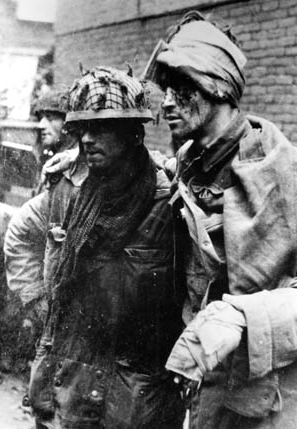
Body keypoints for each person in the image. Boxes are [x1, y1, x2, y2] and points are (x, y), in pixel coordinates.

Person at [4, 66, 185, 428]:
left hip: (131, 393)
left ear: (133, 133)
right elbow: (20, 234)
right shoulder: (69, 191)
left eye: (101, 128)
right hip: (67, 383)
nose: (87, 139)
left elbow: (196, 287)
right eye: (82, 129)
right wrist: (38, 302)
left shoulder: (168, 201)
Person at [142, 10, 297, 429]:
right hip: (202, 389)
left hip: (266, 399)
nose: (167, 102)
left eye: (182, 88)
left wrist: (241, 317)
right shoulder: (190, 161)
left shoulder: (279, 169)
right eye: (166, 90)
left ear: (218, 85)